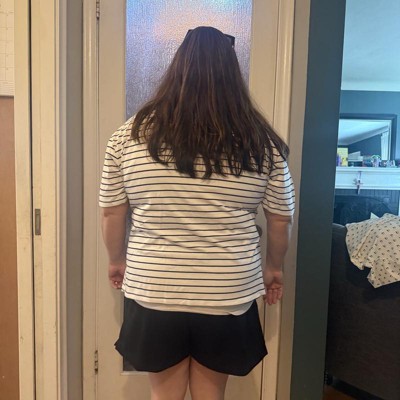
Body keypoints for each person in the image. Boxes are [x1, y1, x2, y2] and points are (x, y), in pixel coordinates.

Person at [99, 26, 294, 400]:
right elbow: (280, 219)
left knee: (164, 396)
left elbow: (112, 212)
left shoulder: (128, 136)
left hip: (154, 287)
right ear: (232, 74)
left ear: (177, 68)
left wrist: (116, 259)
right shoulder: (261, 142)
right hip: (227, 290)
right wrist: (274, 268)